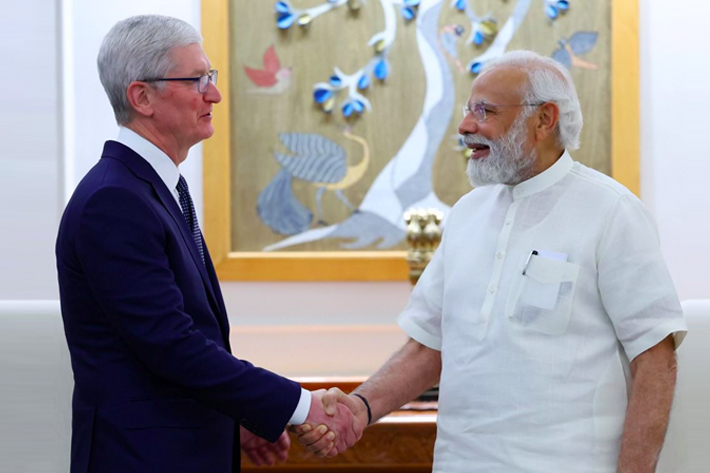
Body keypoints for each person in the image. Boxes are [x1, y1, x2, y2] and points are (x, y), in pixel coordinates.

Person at [296, 50, 687, 473]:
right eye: (468, 110)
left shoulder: (611, 211)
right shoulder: (467, 214)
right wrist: (359, 408)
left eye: (485, 111)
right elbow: (429, 346)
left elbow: (655, 358)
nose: (465, 126)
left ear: (544, 120)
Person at [55, 15, 361, 473]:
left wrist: (234, 417)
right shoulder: (114, 200)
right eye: (196, 80)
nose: (214, 93)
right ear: (142, 97)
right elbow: (170, 344)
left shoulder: (150, 189)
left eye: (210, 77)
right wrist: (299, 405)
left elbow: (188, 340)